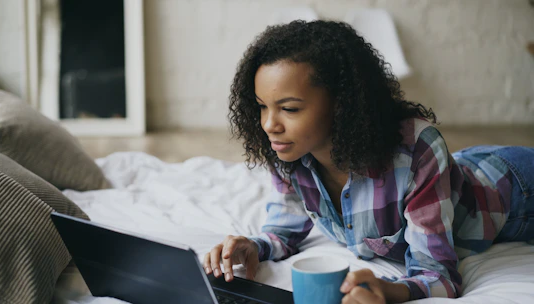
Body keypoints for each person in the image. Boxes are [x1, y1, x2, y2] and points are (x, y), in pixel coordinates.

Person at [203, 20, 534, 303]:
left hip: (517, 190)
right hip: (460, 170)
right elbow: (284, 231)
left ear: (341, 104)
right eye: (262, 105)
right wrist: (253, 247)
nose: (268, 124)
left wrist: (387, 291)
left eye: (289, 108)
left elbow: (439, 275)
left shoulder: (416, 148)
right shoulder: (289, 147)